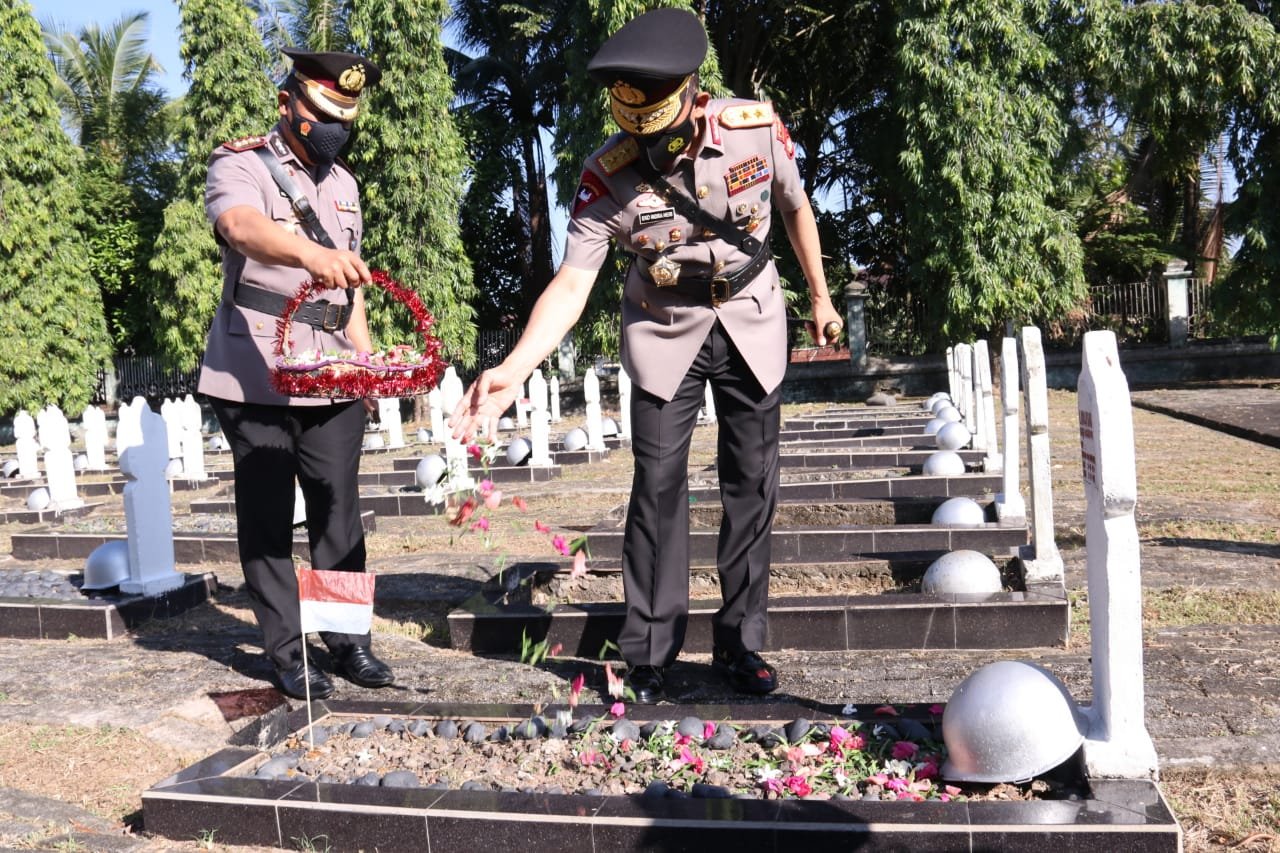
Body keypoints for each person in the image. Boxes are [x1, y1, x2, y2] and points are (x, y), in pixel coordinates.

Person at [450, 9, 841, 703]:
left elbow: (795, 208)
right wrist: (513, 367)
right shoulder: (607, 176)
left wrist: (819, 295)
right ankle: (652, 651)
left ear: (693, 96)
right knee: (657, 487)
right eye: (639, 136)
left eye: (662, 132)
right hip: (664, 330)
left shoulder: (754, 127)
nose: (652, 149)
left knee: (751, 485)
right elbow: (572, 282)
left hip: (751, 316)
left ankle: (740, 645)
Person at [198, 49, 394, 700]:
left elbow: (353, 287)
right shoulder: (242, 162)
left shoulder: (346, 185)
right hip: (255, 366)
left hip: (330, 367)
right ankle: (288, 653)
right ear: (289, 105)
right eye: (323, 112)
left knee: (338, 512)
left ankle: (347, 642)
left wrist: (363, 364)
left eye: (347, 115)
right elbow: (238, 224)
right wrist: (310, 253)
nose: (336, 126)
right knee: (267, 514)